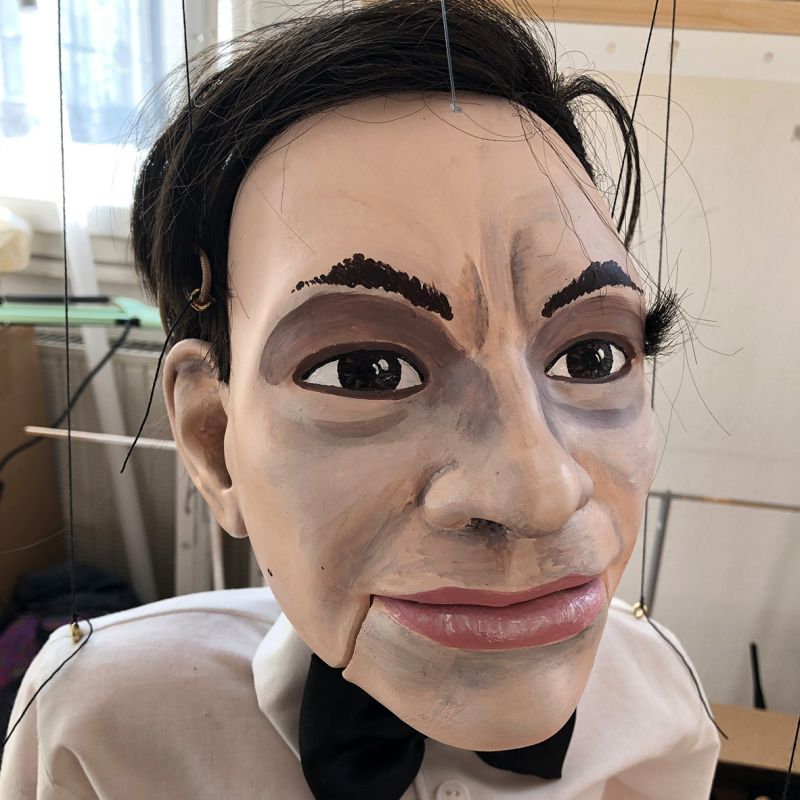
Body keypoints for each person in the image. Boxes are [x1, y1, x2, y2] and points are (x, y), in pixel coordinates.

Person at [0, 1, 720, 797]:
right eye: (365, 371)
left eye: (591, 356)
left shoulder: (664, 711)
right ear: (213, 438)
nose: (538, 493)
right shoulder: (101, 733)